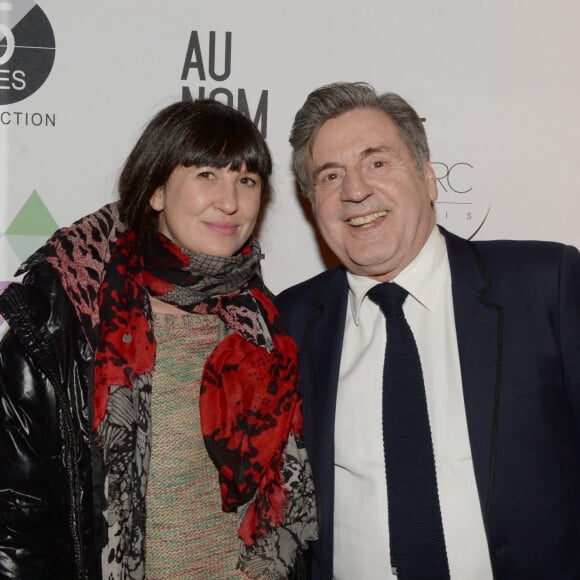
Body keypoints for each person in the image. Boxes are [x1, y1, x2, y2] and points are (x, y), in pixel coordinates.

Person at [0, 99, 317, 580]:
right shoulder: (63, 322)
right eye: (207, 175)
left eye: (246, 181)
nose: (230, 202)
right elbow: (16, 529)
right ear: (156, 191)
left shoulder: (263, 323)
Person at [274, 81, 580, 580]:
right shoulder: (289, 320)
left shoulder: (547, 284)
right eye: (330, 176)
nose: (355, 191)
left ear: (428, 177)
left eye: (377, 162)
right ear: (313, 205)